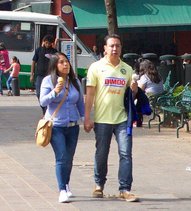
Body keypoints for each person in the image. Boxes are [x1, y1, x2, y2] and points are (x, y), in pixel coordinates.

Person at [84, 34, 140, 202]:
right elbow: (90, 95)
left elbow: (132, 95)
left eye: (117, 46)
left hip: (123, 119)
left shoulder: (127, 69)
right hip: (102, 119)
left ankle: (125, 189)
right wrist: (87, 118)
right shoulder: (95, 67)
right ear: (105, 48)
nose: (115, 49)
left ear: (121, 48)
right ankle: (99, 184)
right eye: (112, 46)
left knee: (126, 154)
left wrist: (135, 89)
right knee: (101, 153)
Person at [40, 53, 85, 203]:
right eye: (61, 62)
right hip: (56, 126)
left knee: (69, 159)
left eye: (67, 62)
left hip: (72, 126)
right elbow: (43, 101)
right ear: (55, 66)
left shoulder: (75, 82)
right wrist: (55, 92)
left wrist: (85, 119)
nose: (66, 65)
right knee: (61, 157)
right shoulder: (48, 81)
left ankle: (66, 183)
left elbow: (80, 103)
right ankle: (62, 190)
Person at [32, 35, 58, 112]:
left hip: (50, 75)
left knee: (50, 93)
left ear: (51, 44)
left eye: (49, 43)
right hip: (39, 74)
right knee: (38, 93)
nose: (47, 45)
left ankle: (47, 110)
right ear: (43, 42)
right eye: (46, 43)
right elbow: (33, 62)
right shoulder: (39, 50)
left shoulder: (54, 52)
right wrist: (32, 74)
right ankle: (44, 108)